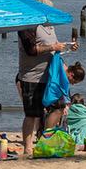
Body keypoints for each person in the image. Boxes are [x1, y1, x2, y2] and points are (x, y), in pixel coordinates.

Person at [16, 21, 78, 154]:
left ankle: (45, 138)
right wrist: (53, 46)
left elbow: (54, 50)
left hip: (50, 77)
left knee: (60, 107)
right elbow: (31, 50)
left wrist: (67, 47)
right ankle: (27, 148)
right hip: (31, 77)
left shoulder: (50, 27)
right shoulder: (28, 26)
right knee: (32, 114)